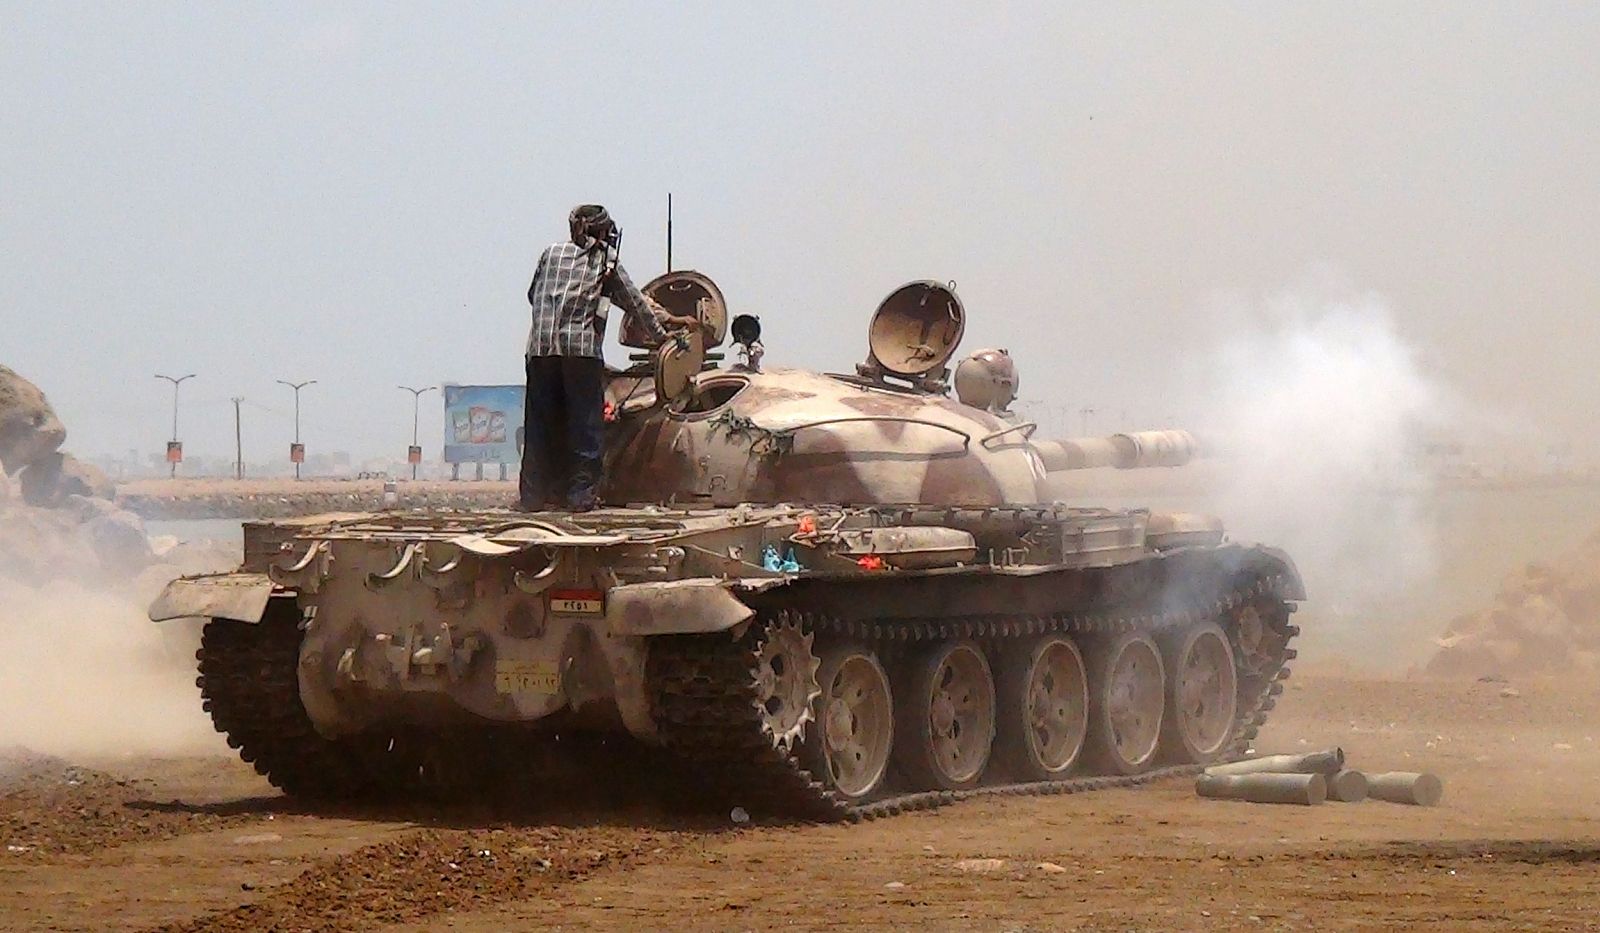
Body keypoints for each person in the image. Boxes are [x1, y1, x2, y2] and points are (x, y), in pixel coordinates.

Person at [518, 204, 692, 512]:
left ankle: (534, 498)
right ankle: (581, 498)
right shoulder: (605, 261)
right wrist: (666, 333)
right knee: (585, 427)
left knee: (541, 427)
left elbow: (533, 295)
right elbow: (636, 303)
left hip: (540, 351)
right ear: (602, 232)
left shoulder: (550, 253)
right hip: (581, 353)